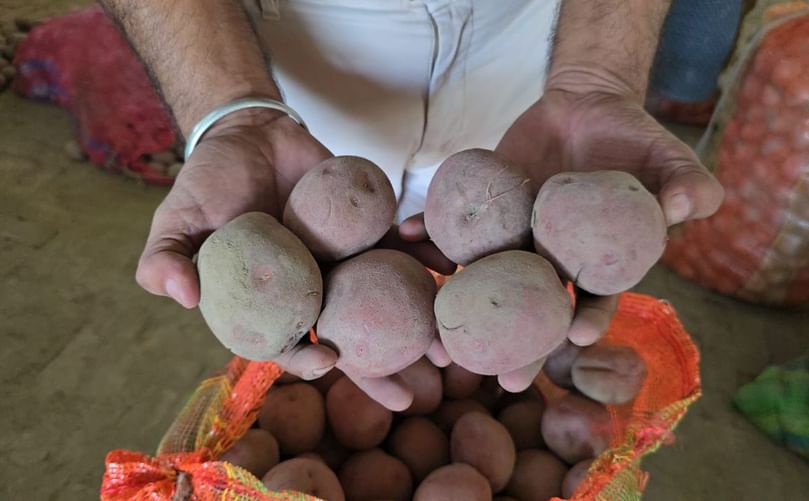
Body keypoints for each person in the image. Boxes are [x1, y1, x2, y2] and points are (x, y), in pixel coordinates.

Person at [100, 0, 724, 410]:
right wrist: (232, 106)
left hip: (534, 54)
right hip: (295, 62)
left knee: (488, 294)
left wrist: (598, 77)